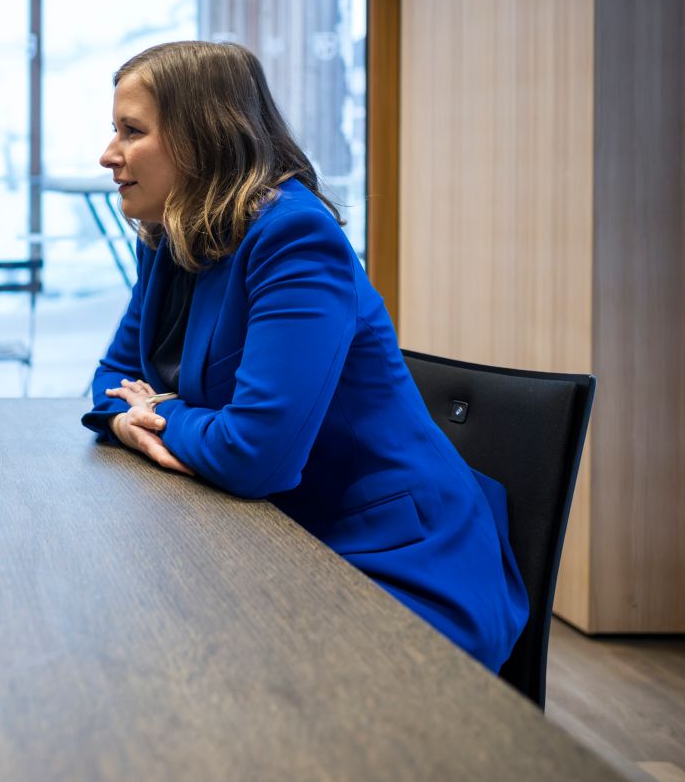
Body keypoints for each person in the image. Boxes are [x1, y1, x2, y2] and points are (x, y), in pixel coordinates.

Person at [82, 40, 527, 672]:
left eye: (132, 132)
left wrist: (163, 414)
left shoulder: (292, 236)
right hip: (267, 535)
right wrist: (127, 420)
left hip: (387, 558)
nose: (109, 155)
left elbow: (253, 454)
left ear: (198, 137)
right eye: (114, 130)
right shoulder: (166, 237)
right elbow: (108, 381)